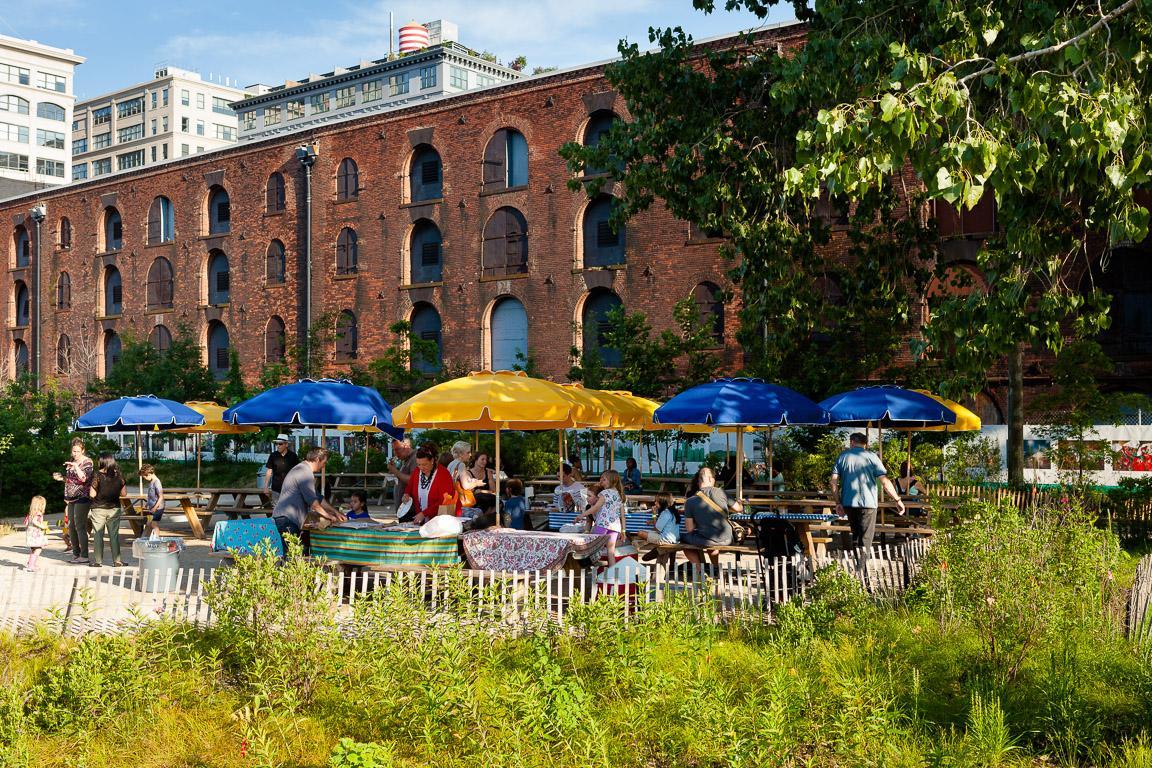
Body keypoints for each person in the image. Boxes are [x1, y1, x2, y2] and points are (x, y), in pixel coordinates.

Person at [830, 433, 905, 551]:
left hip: (848, 503)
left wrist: (838, 502)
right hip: (868, 503)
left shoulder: (842, 457)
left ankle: (858, 562)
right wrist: (897, 499)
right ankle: (863, 563)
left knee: (856, 535)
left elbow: (833, 482)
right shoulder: (872, 457)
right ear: (865, 444)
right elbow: (885, 482)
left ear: (852, 442)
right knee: (865, 538)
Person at [272, 448, 346, 543]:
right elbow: (314, 504)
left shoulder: (304, 470)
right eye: (324, 463)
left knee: (299, 549)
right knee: (293, 552)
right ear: (317, 459)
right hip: (287, 519)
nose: (324, 466)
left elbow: (318, 498)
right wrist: (329, 516)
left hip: (288, 519)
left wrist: (335, 512)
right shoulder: (304, 472)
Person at [682, 467, 743, 568]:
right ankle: (715, 568)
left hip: (706, 540)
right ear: (710, 479)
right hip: (727, 538)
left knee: (683, 539)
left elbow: (690, 529)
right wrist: (740, 503)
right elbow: (738, 508)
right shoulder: (721, 492)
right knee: (711, 545)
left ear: (699, 480)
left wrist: (699, 518)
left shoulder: (689, 501)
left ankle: (699, 569)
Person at [53, 437, 93, 565]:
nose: (75, 454)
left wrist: (75, 466)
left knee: (79, 525)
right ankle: (76, 553)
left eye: (77, 451)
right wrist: (61, 478)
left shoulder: (87, 462)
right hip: (71, 498)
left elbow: (84, 479)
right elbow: (71, 480)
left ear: (83, 450)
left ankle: (84, 555)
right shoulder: (71, 460)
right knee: (70, 525)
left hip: (83, 497)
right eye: (73, 451)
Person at [402, 446, 462, 525]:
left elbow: (444, 499)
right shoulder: (417, 471)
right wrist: (406, 494)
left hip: (441, 520)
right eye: (419, 464)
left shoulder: (443, 474)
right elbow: (409, 486)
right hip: (423, 520)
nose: (421, 468)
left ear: (432, 461)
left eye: (424, 464)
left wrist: (424, 513)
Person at [88, 453, 126, 567]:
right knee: (114, 535)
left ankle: (98, 561)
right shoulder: (119, 475)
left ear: (103, 462)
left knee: (98, 534)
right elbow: (124, 493)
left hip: (98, 508)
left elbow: (92, 494)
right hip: (114, 508)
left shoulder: (97, 475)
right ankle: (117, 561)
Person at [584, 470, 625, 567]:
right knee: (611, 552)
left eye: (604, 479)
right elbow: (622, 516)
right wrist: (623, 530)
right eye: (601, 478)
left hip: (602, 524)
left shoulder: (604, 493)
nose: (601, 480)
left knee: (593, 546)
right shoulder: (619, 495)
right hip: (615, 527)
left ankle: (595, 564)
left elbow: (596, 507)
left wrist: (581, 515)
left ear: (612, 480)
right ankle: (612, 573)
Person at [635, 491, 681, 563]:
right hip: (674, 539)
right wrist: (652, 521)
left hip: (666, 539)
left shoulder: (665, 513)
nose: (655, 503)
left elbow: (657, 529)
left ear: (663, 503)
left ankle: (651, 548)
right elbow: (665, 523)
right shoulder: (672, 511)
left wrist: (654, 514)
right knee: (646, 534)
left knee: (640, 533)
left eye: (657, 501)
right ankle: (650, 548)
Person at [264, 434, 299, 502]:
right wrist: (266, 487)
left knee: (289, 508)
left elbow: (297, 472)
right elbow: (269, 471)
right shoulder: (273, 455)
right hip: (276, 489)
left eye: (280, 444)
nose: (278, 446)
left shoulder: (293, 456)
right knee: (276, 507)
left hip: (290, 488)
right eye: (276, 444)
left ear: (286, 444)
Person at [388, 438, 416, 513]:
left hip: (410, 509)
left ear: (406, 446)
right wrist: (393, 471)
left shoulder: (415, 458)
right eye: (394, 450)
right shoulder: (406, 459)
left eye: (397, 449)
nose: (395, 453)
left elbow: (413, 480)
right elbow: (402, 478)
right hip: (404, 509)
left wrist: (395, 471)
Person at [24, 495, 49, 572]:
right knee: (38, 549)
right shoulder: (38, 513)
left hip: (31, 535)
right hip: (36, 535)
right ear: (41, 505)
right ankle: (31, 566)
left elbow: (26, 523)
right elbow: (34, 521)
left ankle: (31, 563)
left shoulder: (31, 513)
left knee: (34, 549)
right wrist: (42, 526)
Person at [140, 464, 164, 535]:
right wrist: (146, 505)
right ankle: (147, 537)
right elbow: (150, 496)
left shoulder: (157, 482)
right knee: (148, 523)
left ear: (149, 474)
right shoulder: (151, 482)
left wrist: (155, 508)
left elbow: (161, 497)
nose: (144, 478)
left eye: (144, 477)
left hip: (158, 508)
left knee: (153, 524)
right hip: (152, 507)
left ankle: (156, 538)